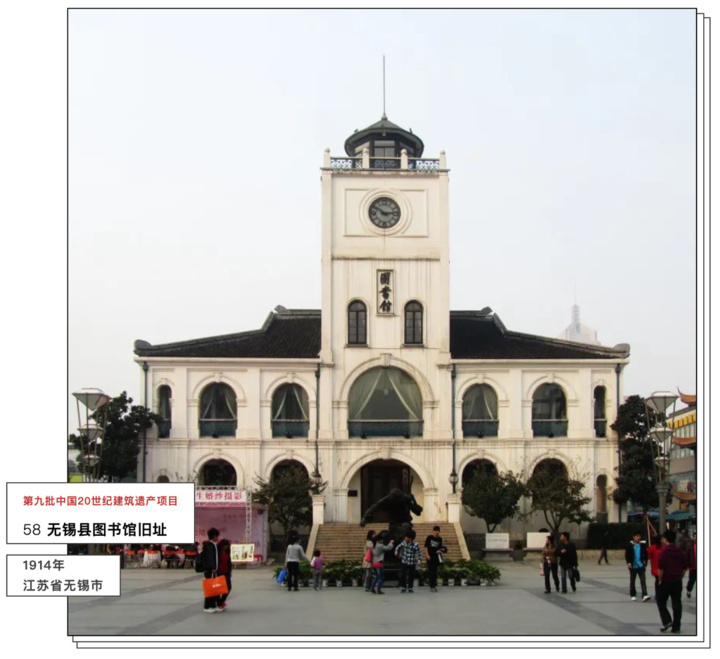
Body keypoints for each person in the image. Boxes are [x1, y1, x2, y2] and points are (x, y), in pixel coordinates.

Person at [657, 529, 688, 633]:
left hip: (666, 580)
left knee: (661, 600)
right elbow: (685, 568)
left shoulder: (664, 551)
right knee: (677, 603)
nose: (661, 540)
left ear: (665, 539)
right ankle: (676, 627)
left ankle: (667, 620)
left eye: (663, 538)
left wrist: (660, 580)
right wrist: (680, 577)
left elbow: (661, 569)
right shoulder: (680, 552)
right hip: (677, 581)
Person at [201, 527, 223, 614]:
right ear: (214, 536)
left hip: (214, 571)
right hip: (210, 571)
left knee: (215, 588)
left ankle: (213, 605)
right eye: (217, 536)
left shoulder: (214, 545)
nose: (217, 538)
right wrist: (212, 568)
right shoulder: (209, 546)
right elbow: (210, 559)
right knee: (210, 589)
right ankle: (207, 606)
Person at [625, 532, 651, 602]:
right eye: (637, 536)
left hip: (641, 565)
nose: (638, 538)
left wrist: (645, 561)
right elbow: (627, 555)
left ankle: (644, 594)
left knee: (643, 581)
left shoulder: (642, 545)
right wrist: (629, 563)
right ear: (633, 537)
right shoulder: (630, 546)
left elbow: (646, 554)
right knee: (632, 581)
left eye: (639, 536)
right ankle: (633, 594)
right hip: (633, 566)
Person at [424, 525, 447, 593]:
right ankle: (431, 586)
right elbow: (426, 547)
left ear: (439, 532)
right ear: (433, 532)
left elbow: (440, 547)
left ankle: (434, 585)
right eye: (435, 532)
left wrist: (440, 550)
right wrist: (427, 555)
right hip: (430, 557)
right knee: (431, 571)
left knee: (435, 572)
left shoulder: (440, 539)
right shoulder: (429, 537)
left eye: (437, 533)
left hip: (436, 557)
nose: (436, 534)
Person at [216, 538, 232, 610]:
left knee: (228, 587)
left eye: (227, 546)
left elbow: (229, 563)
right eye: (225, 546)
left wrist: (230, 572)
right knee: (218, 588)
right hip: (219, 572)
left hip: (226, 572)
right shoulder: (217, 553)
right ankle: (219, 603)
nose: (226, 547)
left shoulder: (227, 552)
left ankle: (221, 601)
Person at [647, 534, 663, 600]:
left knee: (659, 581)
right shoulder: (653, 548)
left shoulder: (662, 547)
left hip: (660, 567)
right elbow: (649, 556)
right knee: (659, 580)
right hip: (656, 567)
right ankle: (658, 594)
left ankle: (659, 594)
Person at [686, 532, 697, 599]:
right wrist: (687, 564)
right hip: (692, 567)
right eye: (694, 536)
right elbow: (687, 556)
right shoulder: (691, 545)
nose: (695, 538)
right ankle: (689, 590)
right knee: (692, 580)